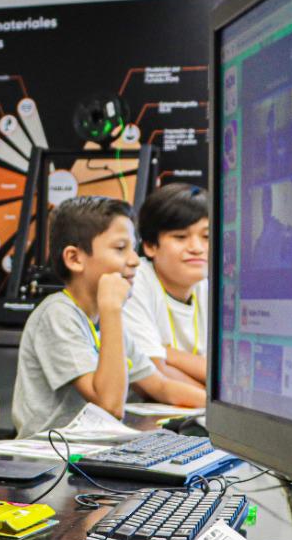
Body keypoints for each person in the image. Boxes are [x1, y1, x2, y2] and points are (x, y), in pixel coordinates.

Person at [12, 197, 205, 436]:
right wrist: (112, 309)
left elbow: (160, 386)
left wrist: (216, 411)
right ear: (74, 258)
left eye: (132, 248)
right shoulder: (58, 314)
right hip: (51, 460)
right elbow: (109, 406)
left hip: (92, 450)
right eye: (120, 248)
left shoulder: (103, 319)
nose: (135, 260)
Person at [123, 181, 210, 388]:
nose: (197, 248)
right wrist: (211, 401)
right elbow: (153, 372)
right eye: (181, 237)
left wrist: (168, 354)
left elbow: (229, 375)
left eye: (206, 236)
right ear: (150, 246)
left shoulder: (211, 286)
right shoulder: (133, 282)